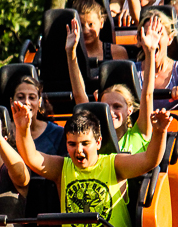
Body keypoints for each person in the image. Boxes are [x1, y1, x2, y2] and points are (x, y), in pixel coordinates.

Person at [13, 106, 172, 227]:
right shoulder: (62, 167)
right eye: (72, 144)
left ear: (98, 142)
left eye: (85, 143)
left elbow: (149, 160)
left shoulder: (114, 164)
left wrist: (159, 132)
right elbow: (31, 157)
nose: (79, 150)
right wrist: (22, 129)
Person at [65, 13, 162, 152]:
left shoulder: (139, 133)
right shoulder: (96, 139)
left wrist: (150, 52)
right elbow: (79, 95)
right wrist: (71, 53)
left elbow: (147, 94)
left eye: (117, 106)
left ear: (129, 110)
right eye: (106, 106)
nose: (111, 111)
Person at [135, 9, 178, 109]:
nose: (154, 39)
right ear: (140, 40)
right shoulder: (132, 72)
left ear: (169, 39)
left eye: (159, 33)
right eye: (148, 34)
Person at [9, 75, 66, 156]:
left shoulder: (58, 134)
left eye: (32, 97)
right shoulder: (3, 132)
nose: (26, 102)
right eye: (21, 97)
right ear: (11, 102)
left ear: (39, 102)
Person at [72, 0, 128, 65]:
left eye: (91, 24)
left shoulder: (117, 52)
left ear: (101, 23)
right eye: (81, 26)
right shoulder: (70, 54)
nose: (86, 31)